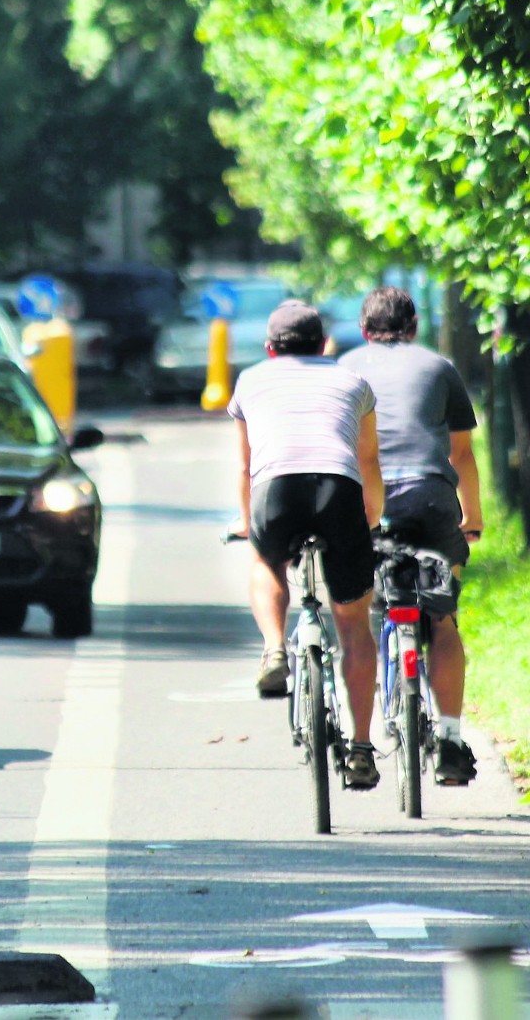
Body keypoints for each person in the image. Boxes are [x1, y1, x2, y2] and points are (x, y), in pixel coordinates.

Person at [226, 299, 385, 790]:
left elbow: (246, 465)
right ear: (323, 345)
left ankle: (275, 649)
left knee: (266, 558)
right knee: (354, 625)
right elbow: (369, 458)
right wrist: (371, 519)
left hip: (275, 490)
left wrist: (243, 522)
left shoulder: (251, 380)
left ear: (271, 348)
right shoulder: (353, 382)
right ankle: (360, 746)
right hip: (338, 488)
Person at [339, 286, 483, 786]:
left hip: (368, 499)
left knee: (365, 606)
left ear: (363, 328)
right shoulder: (439, 366)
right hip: (430, 496)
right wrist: (473, 518)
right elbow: (460, 454)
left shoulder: (345, 368)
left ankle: (365, 734)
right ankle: (448, 738)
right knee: (443, 619)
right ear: (415, 325)